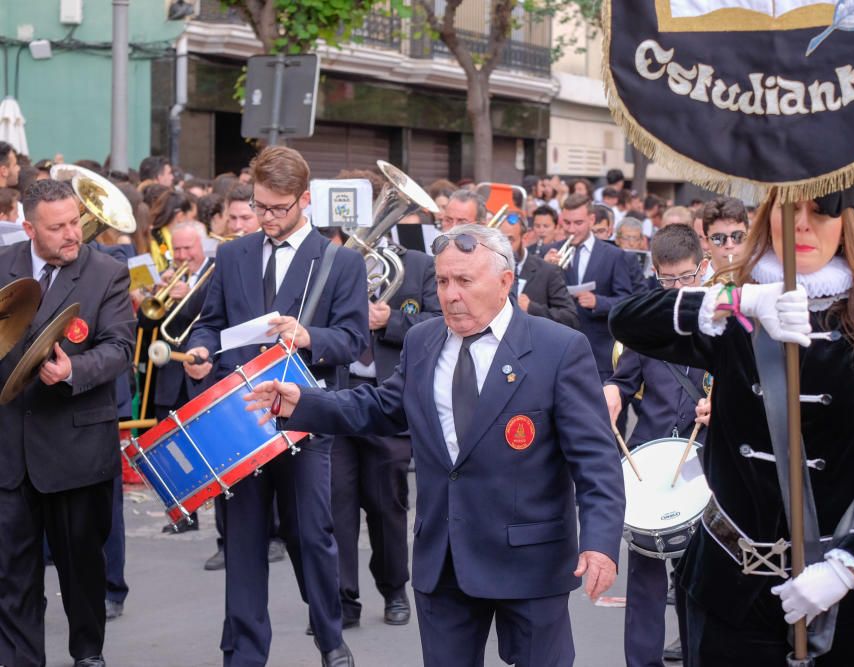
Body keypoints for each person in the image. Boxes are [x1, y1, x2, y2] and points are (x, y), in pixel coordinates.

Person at [248, 223, 626, 667]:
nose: (450, 294)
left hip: (530, 563)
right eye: (444, 281)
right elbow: (382, 407)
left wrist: (600, 543)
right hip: (444, 560)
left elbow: (596, 460)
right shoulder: (423, 340)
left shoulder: (559, 348)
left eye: (465, 280)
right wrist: (304, 404)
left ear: (506, 281)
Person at [608, 187, 854, 665]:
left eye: (821, 212)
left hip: (843, 603)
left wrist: (849, 568)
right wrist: (736, 300)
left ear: (847, 222)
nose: (803, 224)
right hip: (729, 593)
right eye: (790, 211)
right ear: (768, 218)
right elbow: (628, 322)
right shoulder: (739, 306)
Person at [184, 146, 368, 667]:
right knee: (242, 540)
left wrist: (309, 335)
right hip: (241, 414)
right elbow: (211, 322)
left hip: (305, 417)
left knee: (312, 533)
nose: (266, 218)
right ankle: (244, 651)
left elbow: (353, 341)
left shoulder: (342, 262)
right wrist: (200, 351)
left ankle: (329, 636)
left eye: (277, 208)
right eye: (259, 206)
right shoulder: (234, 254)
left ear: (304, 201)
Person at [0, 178, 135, 667]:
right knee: (12, 574)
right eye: (57, 227)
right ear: (28, 227)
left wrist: (73, 370)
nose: (71, 234)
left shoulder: (108, 272)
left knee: (81, 572)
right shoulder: (3, 266)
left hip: (77, 452)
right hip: (11, 450)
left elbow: (120, 348)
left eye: (74, 221)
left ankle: (87, 656)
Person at [333, 185, 443, 631]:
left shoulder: (417, 266)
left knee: (388, 504)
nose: (368, 229)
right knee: (335, 505)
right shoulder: (333, 265)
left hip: (387, 403)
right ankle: (342, 599)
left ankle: (394, 588)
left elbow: (439, 323)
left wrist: (390, 321)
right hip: (339, 398)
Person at [604, 224, 708, 666]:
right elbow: (624, 381)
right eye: (667, 281)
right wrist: (610, 392)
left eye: (685, 278)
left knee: (700, 580)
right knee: (645, 581)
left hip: (706, 464)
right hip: (650, 460)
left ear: (703, 269)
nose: (677, 288)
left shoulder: (725, 320)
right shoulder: (643, 323)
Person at [150, 221, 214, 535]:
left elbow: (211, 315)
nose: (181, 254)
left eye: (188, 248)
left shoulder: (215, 272)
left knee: (207, 446)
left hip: (201, 371)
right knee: (170, 448)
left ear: (202, 247)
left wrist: (187, 296)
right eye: (176, 249)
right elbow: (145, 322)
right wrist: (156, 296)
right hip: (170, 374)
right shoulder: (167, 274)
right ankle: (183, 514)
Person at [544, 193, 634, 380]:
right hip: (557, 350)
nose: (571, 229)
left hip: (599, 354)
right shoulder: (549, 252)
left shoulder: (614, 256)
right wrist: (544, 269)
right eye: (567, 223)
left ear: (591, 220)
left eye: (578, 223)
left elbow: (626, 302)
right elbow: (534, 300)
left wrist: (597, 302)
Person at [499, 213, 579, 329]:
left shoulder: (547, 271)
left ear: (525, 238)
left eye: (510, 240)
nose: (504, 247)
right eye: (500, 240)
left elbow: (570, 318)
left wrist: (532, 308)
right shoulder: (491, 268)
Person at [700, 196, 750, 284]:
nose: (729, 245)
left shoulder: (762, 278)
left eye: (738, 236)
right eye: (718, 238)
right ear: (707, 241)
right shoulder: (696, 282)